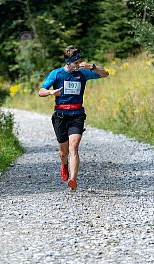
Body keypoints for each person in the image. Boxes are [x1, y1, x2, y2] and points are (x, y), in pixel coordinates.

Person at [38, 45, 109, 191]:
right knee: (64, 152)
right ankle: (64, 165)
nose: (79, 64)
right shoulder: (56, 74)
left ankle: (73, 179)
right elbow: (41, 91)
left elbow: (105, 74)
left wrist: (92, 66)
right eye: (76, 62)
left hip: (77, 115)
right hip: (61, 116)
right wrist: (51, 93)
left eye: (80, 62)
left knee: (74, 147)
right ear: (68, 62)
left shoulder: (83, 73)